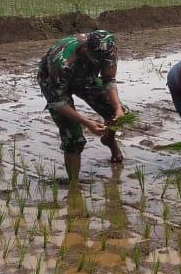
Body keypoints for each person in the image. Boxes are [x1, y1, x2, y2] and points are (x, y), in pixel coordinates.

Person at [37, 30, 125, 182]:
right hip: (55, 84)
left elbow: (109, 80)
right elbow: (59, 102)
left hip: (85, 78)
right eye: (98, 62)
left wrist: (117, 107)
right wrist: (86, 122)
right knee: (74, 138)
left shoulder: (107, 51)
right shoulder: (62, 62)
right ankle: (74, 185)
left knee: (116, 112)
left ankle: (109, 140)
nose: (102, 65)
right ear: (86, 50)